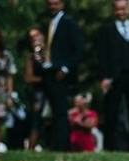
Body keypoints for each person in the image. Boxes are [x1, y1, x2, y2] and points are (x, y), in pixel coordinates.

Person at [97, 0, 129, 152]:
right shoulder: (106, 30)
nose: (121, 12)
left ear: (128, 9)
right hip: (114, 77)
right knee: (111, 113)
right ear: (114, 11)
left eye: (123, 9)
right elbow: (102, 55)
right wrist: (104, 77)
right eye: (118, 9)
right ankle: (109, 148)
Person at [41, 0, 84, 151]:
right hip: (48, 72)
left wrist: (65, 68)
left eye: (56, 3)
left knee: (60, 111)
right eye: (50, 3)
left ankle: (61, 146)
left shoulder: (69, 23)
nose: (52, 6)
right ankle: (55, 144)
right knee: (53, 111)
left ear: (62, 4)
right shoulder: (47, 23)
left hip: (61, 74)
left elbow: (79, 50)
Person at [23, 27, 47, 151]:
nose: (35, 39)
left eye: (37, 35)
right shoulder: (31, 57)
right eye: (32, 37)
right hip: (38, 94)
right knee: (36, 122)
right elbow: (28, 78)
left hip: (50, 93)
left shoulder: (49, 53)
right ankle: (31, 148)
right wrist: (46, 80)